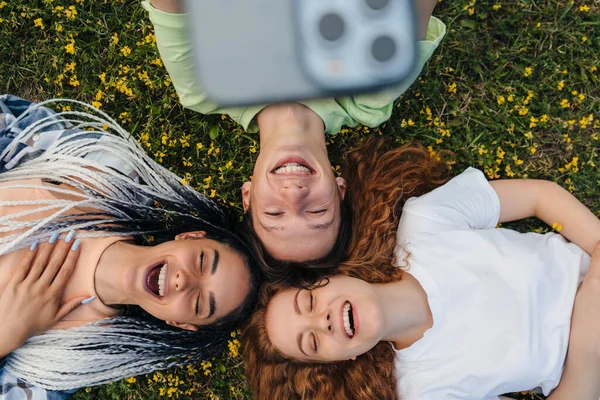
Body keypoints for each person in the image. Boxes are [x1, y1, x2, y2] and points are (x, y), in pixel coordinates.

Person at [241, 137, 600, 399]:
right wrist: (586, 348)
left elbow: (540, 197)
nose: (325, 321)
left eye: (309, 304)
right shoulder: (424, 390)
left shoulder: (424, 222)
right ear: (341, 360)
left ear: (332, 276)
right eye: (313, 342)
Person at [143, 0, 446, 274]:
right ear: (340, 190)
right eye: (317, 211)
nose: (293, 192)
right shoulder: (370, 94)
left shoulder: (202, 88)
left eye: (274, 213)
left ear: (248, 197)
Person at [0, 95, 260, 393]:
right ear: (190, 237)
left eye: (200, 303)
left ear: (179, 323)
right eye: (202, 262)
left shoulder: (73, 356)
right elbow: (9, 121)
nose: (183, 280)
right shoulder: (108, 173)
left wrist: (7, 334)